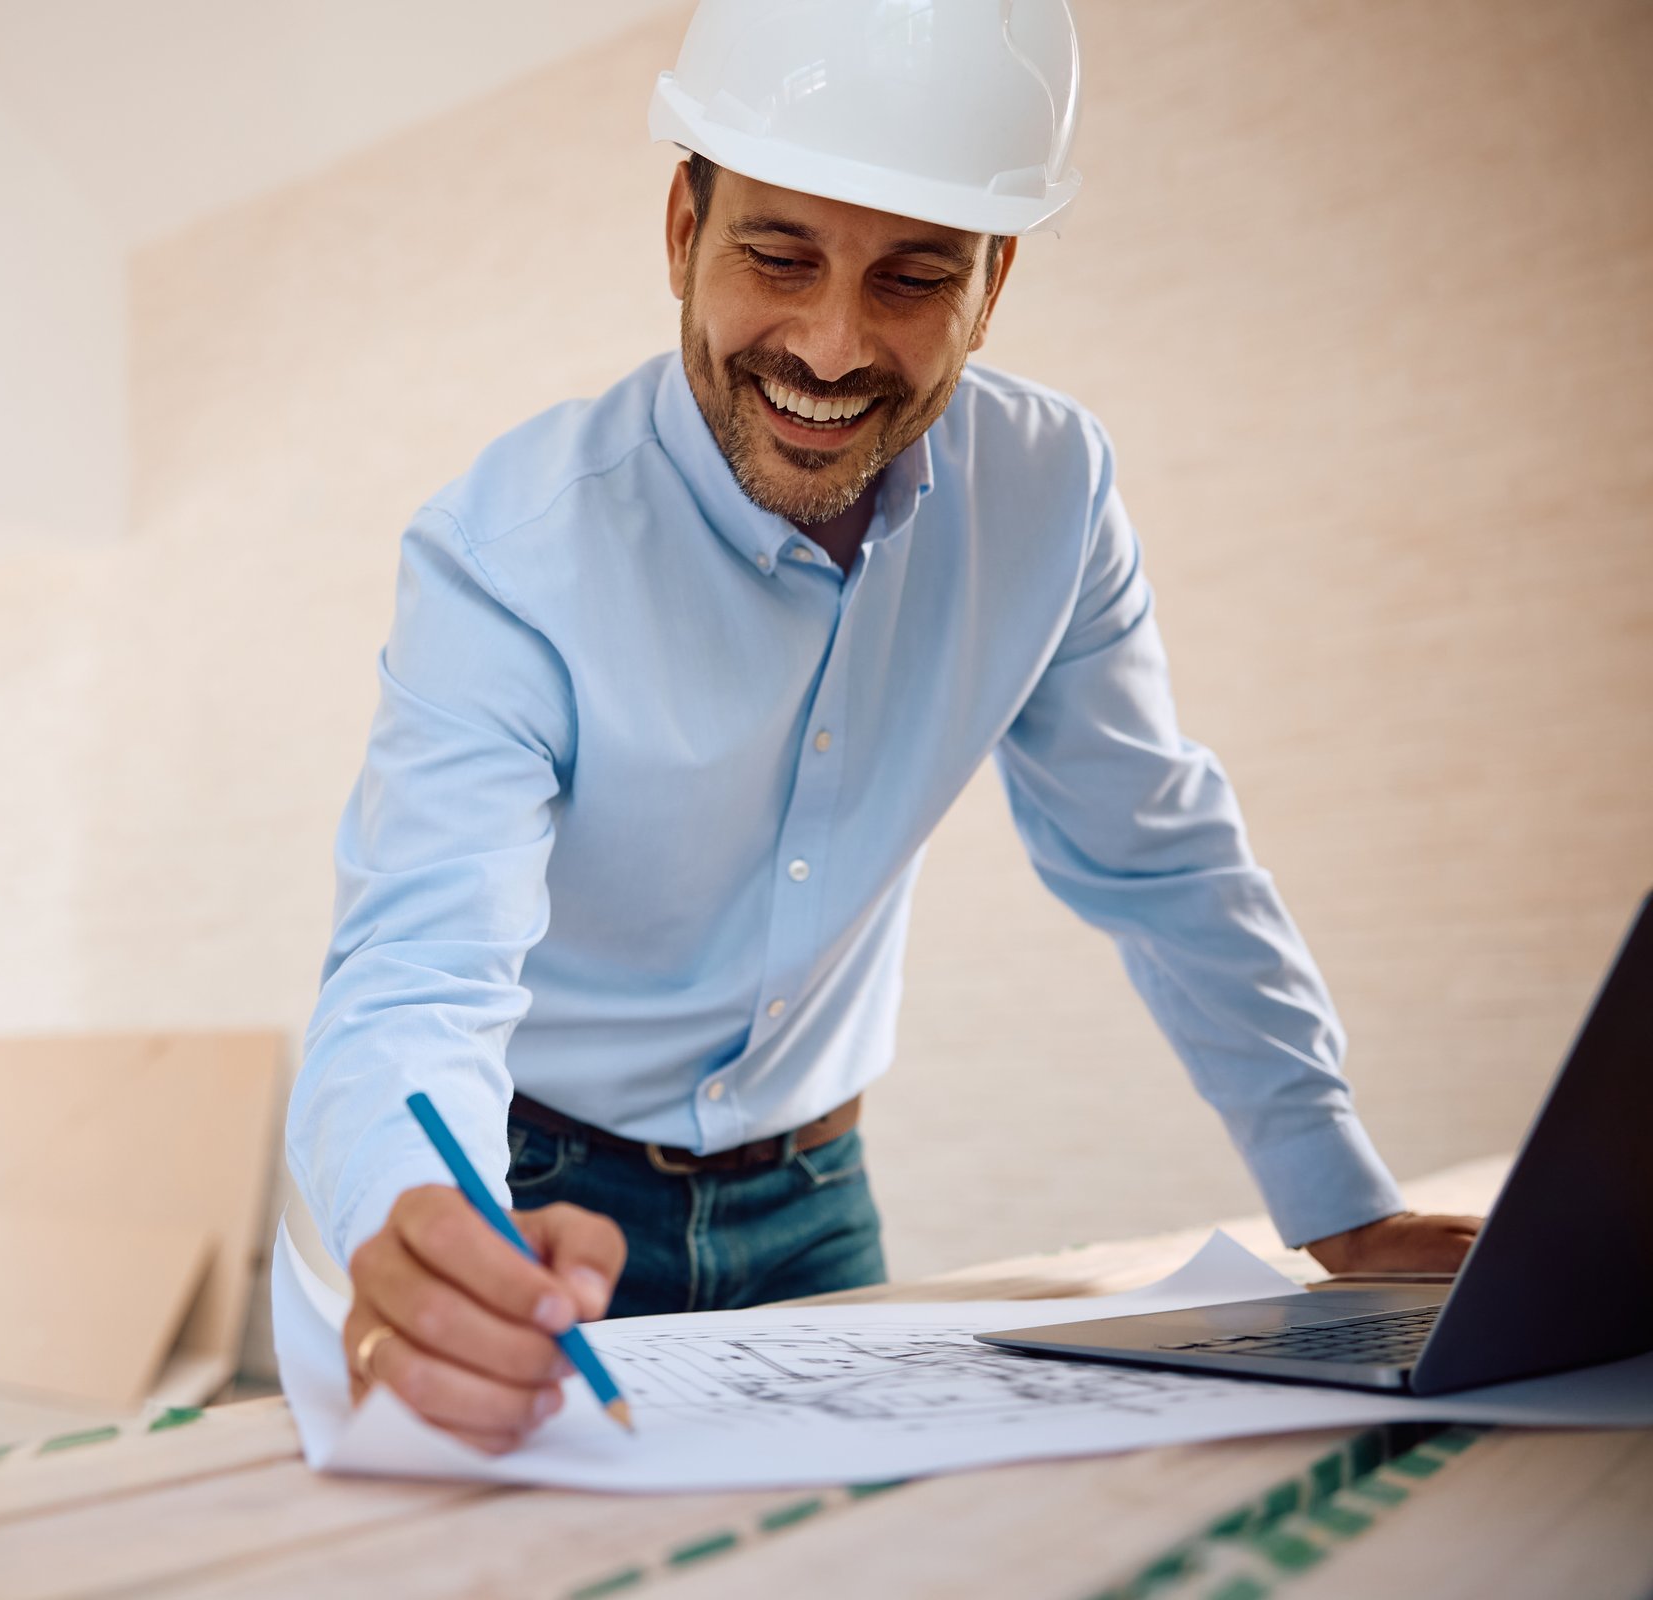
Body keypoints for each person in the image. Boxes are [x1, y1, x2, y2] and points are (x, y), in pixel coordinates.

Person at [285, 0, 1483, 1457]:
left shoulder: (1051, 497)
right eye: (777, 255)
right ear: (683, 227)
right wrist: (421, 1219)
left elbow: (1160, 856)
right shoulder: (506, 552)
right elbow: (417, 969)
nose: (833, 346)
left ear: (996, 284)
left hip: (818, 1198)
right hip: (541, 1194)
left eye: (915, 278)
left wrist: (1341, 1202)